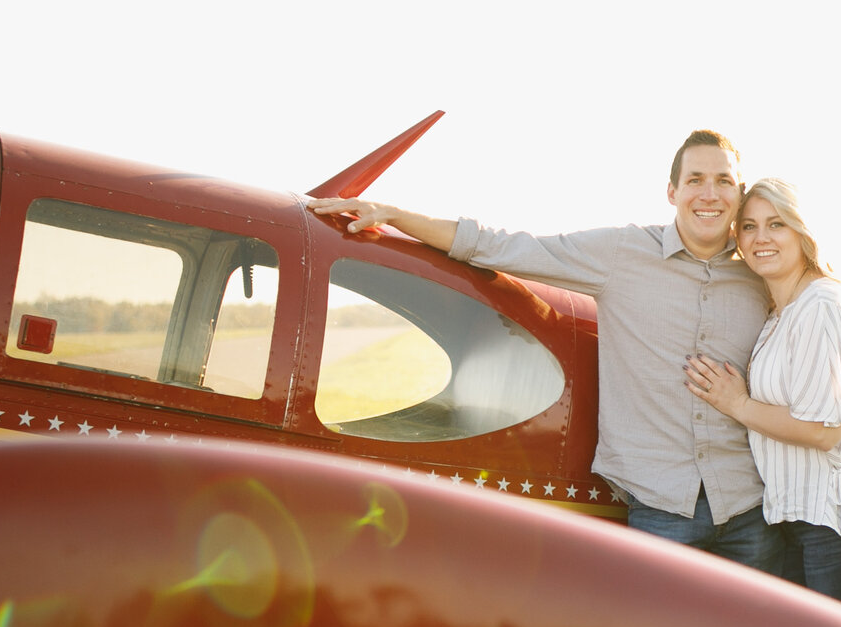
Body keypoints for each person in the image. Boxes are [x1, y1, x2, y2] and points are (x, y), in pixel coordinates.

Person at [305, 131, 783, 573]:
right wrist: (395, 215)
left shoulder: (761, 275)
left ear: (739, 194)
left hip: (750, 509)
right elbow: (502, 247)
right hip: (663, 513)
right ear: (672, 192)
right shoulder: (621, 253)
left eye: (724, 181)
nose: (709, 193)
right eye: (695, 179)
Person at [683, 178, 841, 617]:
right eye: (748, 226)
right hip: (801, 520)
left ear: (803, 233)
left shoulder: (822, 306)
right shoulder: (781, 312)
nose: (760, 238)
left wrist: (737, 404)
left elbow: (823, 431)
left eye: (776, 224)